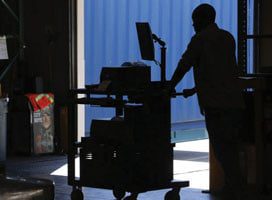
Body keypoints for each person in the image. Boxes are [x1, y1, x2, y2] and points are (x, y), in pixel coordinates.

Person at [170, 3, 245, 199]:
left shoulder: (200, 39)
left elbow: (184, 64)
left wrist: (170, 85)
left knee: (221, 149)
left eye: (195, 21)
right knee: (231, 148)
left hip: (215, 105)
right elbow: (221, 73)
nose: (193, 25)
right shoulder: (228, 38)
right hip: (234, 103)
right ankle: (235, 187)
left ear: (203, 20)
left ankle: (234, 188)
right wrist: (195, 89)